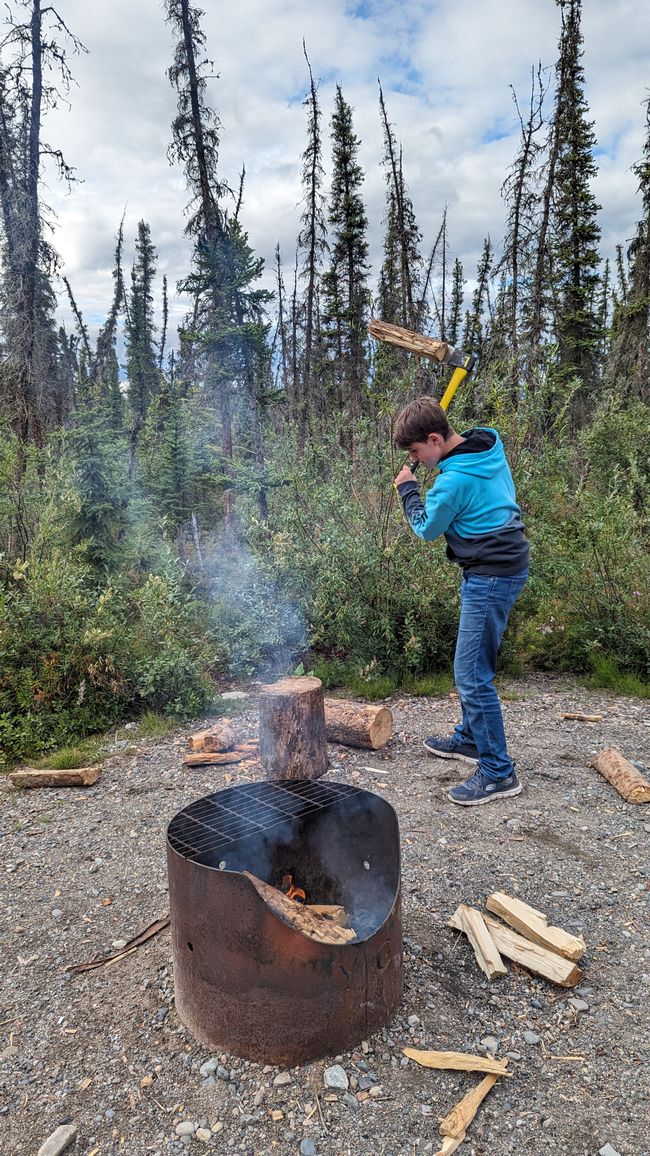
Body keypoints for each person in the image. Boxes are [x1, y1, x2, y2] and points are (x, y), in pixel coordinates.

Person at [393, 396, 529, 806]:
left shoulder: (452, 482)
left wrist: (409, 490)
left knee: (470, 674)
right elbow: (455, 453)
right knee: (474, 665)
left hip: (490, 574)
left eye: (417, 452)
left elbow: (426, 529)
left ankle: (498, 772)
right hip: (505, 564)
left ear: (435, 438)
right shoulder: (488, 442)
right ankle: (471, 738)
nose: (417, 458)